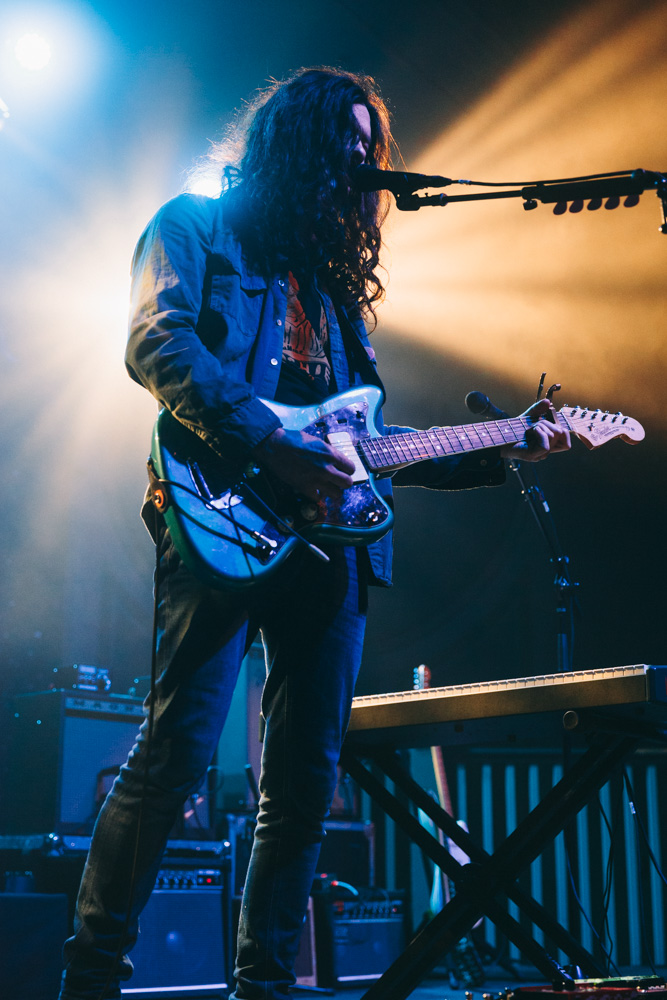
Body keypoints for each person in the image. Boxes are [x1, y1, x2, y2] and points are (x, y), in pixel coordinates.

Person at [58, 67, 570, 1000]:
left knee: (301, 786)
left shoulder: (334, 294)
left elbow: (371, 446)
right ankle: (91, 977)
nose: (360, 160)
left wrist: (504, 447)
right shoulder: (193, 226)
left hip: (329, 550)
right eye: (343, 137)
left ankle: (266, 986)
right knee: (175, 754)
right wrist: (272, 448)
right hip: (220, 511)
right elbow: (156, 343)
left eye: (369, 145)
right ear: (288, 141)